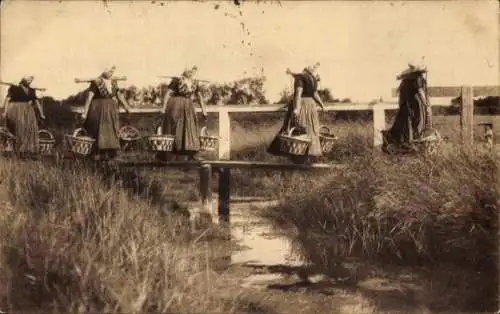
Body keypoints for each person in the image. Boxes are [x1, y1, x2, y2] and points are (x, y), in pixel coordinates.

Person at [267, 63, 326, 164]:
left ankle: (298, 159)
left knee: (298, 130)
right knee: (310, 130)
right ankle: (308, 157)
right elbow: (315, 94)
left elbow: (298, 94)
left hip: (302, 105)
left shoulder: (299, 78)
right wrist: (322, 105)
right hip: (311, 105)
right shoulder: (312, 79)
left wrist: (296, 109)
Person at [156, 65, 208, 162]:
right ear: (184, 70)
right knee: (175, 127)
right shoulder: (177, 80)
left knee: (190, 128)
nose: (191, 72)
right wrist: (163, 108)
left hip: (188, 106)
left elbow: (199, 96)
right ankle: (167, 154)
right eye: (189, 70)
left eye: (193, 70)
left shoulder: (195, 82)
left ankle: (191, 153)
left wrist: (204, 110)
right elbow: (168, 94)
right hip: (175, 105)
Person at [81, 66, 131, 161]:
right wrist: (85, 112)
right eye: (110, 70)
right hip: (98, 110)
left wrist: (127, 107)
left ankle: (111, 153)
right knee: (99, 129)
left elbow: (119, 95)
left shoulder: (113, 81)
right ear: (104, 70)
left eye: (113, 70)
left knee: (112, 129)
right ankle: (97, 153)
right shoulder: (96, 82)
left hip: (111, 110)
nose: (112, 72)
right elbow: (89, 97)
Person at [384, 62, 430, 151]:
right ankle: (413, 144)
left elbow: (401, 97)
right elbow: (420, 92)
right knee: (417, 123)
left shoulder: (404, 82)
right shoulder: (418, 79)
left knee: (405, 125)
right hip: (415, 105)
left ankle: (404, 144)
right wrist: (426, 104)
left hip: (405, 106)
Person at [1, 76, 45, 158]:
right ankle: (20, 151)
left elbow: (37, 102)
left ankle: (28, 151)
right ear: (23, 78)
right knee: (20, 128)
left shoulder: (32, 90)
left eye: (31, 79)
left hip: (28, 112)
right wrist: (5, 111)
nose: (29, 81)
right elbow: (7, 100)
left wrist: (41, 113)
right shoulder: (14, 87)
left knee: (31, 128)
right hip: (16, 110)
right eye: (28, 78)